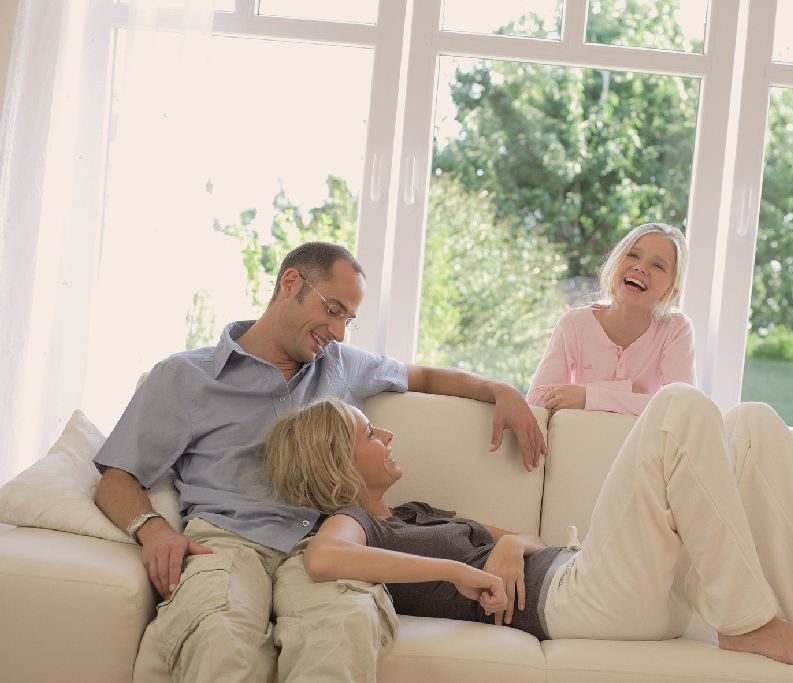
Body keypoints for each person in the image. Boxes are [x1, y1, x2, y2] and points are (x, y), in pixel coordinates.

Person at [92, 241, 545, 683]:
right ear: (291, 283)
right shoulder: (185, 376)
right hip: (226, 544)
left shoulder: (342, 364)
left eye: (349, 319)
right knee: (218, 637)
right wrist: (152, 531)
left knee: (343, 632)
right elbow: (117, 475)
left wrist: (499, 390)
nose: (340, 331)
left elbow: (423, 375)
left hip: (326, 545)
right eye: (334, 310)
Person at [264, 387, 793, 672]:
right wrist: (459, 570)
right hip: (577, 603)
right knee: (676, 406)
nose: (384, 431)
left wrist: (500, 543)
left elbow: (525, 536)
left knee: (754, 421)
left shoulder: (416, 512)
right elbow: (325, 560)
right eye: (366, 432)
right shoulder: (354, 522)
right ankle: (747, 619)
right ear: (337, 465)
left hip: (609, 578)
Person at [528, 222, 696, 416]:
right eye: (633, 255)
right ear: (615, 263)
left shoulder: (676, 328)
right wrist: (630, 393)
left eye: (657, 265)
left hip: (642, 446)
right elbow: (536, 400)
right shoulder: (574, 323)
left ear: (671, 291)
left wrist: (586, 396)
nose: (641, 267)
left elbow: (682, 407)